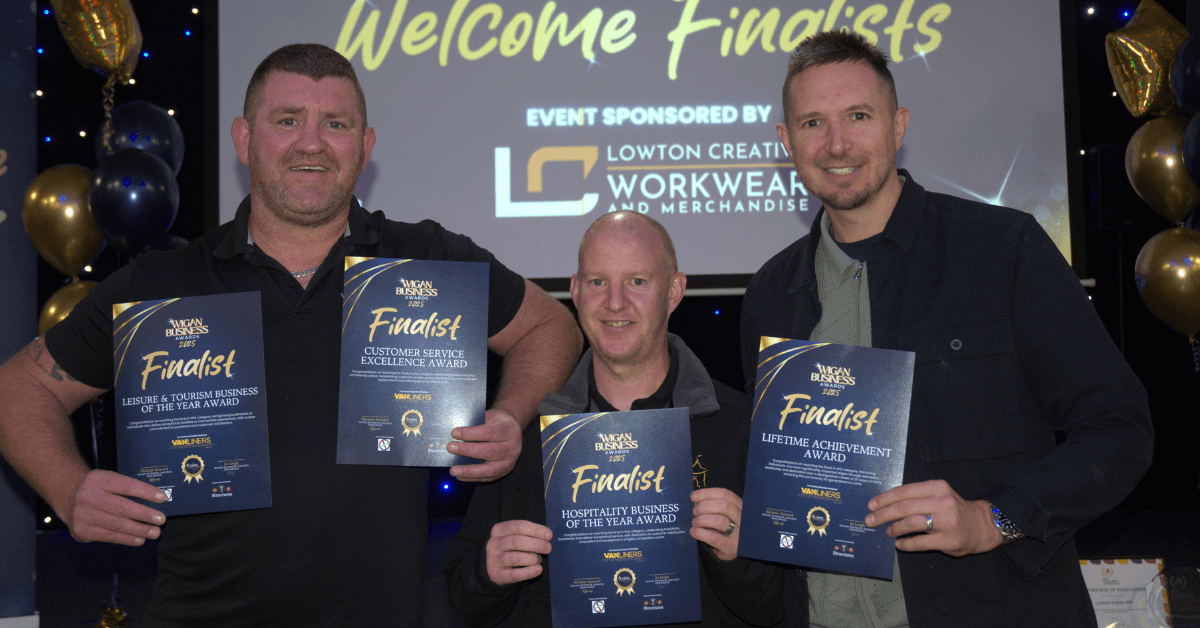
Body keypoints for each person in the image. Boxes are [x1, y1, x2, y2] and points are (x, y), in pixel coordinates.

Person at [0, 43, 581, 626]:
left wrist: (510, 414)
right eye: (287, 121)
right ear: (244, 139)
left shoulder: (426, 259)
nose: (312, 143)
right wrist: (69, 488)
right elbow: (18, 389)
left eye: (336, 124)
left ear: (365, 146)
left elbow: (549, 327)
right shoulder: (161, 283)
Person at [739, 31, 1153, 627]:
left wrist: (994, 518)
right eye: (811, 123)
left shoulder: (1003, 250)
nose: (836, 143)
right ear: (786, 140)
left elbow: (1119, 428)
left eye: (859, 115)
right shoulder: (770, 294)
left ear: (898, 124)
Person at [445, 211, 793, 627]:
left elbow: (782, 609)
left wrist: (741, 557)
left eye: (637, 281)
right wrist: (491, 573)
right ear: (575, 291)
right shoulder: (528, 435)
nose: (614, 302)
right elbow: (464, 602)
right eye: (597, 282)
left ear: (674, 291)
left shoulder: (743, 427)